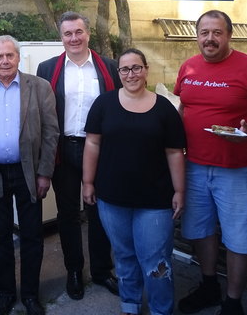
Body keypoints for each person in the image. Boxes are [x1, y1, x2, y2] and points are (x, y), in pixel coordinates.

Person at [173, 10, 247, 315]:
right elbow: (184, 106)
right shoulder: (189, 67)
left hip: (235, 169)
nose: (209, 39)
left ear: (229, 35)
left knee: (239, 236)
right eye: (204, 33)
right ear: (197, 36)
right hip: (194, 165)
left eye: (217, 32)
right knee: (200, 229)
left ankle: (234, 303)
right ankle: (209, 286)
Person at [82, 48, 186, 315]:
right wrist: (88, 182)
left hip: (155, 201)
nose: (131, 74)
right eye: (125, 69)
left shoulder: (164, 109)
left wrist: (179, 190)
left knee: (155, 261)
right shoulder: (103, 104)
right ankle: (130, 306)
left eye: (136, 68)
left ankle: (161, 310)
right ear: (118, 74)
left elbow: (174, 152)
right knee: (124, 256)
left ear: (146, 70)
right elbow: (92, 143)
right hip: (112, 198)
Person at [0, 35, 59, 315]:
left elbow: (51, 133)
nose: (5, 61)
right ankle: (5, 293)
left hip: (28, 172)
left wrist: (44, 173)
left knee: (32, 236)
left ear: (18, 58)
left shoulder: (39, 87)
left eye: (10, 56)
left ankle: (30, 295)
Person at [36, 11, 121, 300]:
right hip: (63, 148)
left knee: (99, 211)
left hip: (100, 149)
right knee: (68, 213)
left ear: (88, 34)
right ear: (61, 37)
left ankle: (101, 270)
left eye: (78, 32)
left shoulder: (109, 67)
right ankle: (74, 270)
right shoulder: (47, 69)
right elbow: (41, 114)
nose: (74, 38)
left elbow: (120, 109)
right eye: (67, 33)